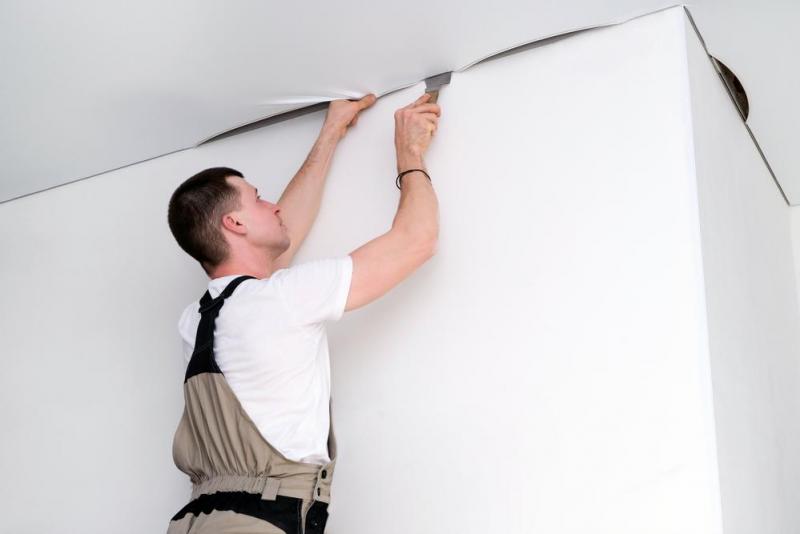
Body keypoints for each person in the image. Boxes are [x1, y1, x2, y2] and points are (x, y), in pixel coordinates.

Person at [165, 91, 441, 533]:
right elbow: (416, 240)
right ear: (235, 225)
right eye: (257, 199)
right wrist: (409, 152)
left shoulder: (199, 319)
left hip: (199, 521)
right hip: (260, 519)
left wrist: (331, 133)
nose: (273, 205)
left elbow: (278, 242)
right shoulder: (279, 300)